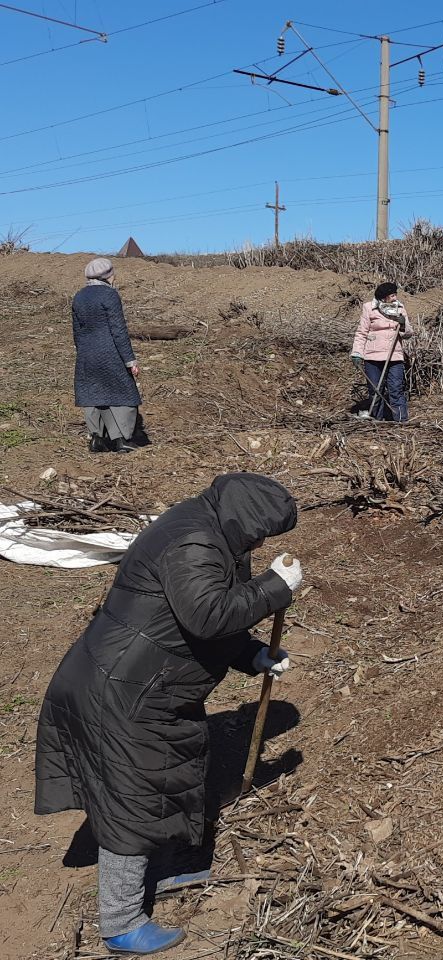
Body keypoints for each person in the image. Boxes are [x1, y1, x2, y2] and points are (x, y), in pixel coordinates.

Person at [35, 473, 301, 955]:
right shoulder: (195, 541)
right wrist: (274, 589)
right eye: (261, 532)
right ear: (244, 520)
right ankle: (119, 922)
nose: (261, 542)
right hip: (123, 691)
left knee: (163, 776)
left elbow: (192, 616)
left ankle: (171, 865)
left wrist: (251, 655)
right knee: (132, 802)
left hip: (144, 682)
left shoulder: (207, 525)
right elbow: (206, 614)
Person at [72, 257, 148, 453]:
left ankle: (96, 439)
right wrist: (130, 360)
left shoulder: (79, 296)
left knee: (93, 395)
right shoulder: (109, 295)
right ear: (108, 275)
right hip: (110, 352)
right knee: (123, 395)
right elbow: (118, 330)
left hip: (86, 353)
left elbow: (77, 331)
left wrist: (83, 353)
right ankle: (121, 439)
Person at [351, 281, 414, 422]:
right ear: (383, 297)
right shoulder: (369, 308)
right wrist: (356, 353)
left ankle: (401, 420)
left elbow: (408, 334)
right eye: (392, 296)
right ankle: (377, 420)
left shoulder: (400, 308)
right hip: (372, 356)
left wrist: (403, 324)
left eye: (395, 295)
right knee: (375, 390)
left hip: (394, 356)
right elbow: (361, 332)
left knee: (396, 389)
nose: (395, 298)